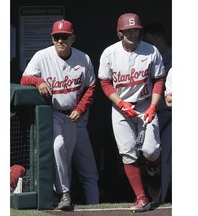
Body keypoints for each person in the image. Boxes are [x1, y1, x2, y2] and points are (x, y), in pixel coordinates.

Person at [20, 19, 96, 211]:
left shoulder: (83, 58)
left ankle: (78, 199)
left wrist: (80, 108)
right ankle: (64, 193)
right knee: (58, 145)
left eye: (64, 37)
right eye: (56, 37)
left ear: (73, 38)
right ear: (52, 39)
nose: (60, 41)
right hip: (52, 113)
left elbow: (91, 86)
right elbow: (24, 78)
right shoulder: (42, 56)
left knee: (67, 157)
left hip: (73, 115)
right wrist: (38, 81)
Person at [98, 13, 166, 212]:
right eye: (128, 30)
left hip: (145, 104)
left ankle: (153, 172)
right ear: (120, 32)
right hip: (121, 108)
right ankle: (141, 198)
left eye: (135, 29)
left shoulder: (151, 51)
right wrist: (120, 103)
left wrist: (153, 106)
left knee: (151, 150)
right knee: (128, 153)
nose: (132, 33)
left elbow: (159, 79)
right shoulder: (110, 53)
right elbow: (104, 82)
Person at [143, 22, 172, 203]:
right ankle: (159, 197)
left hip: (170, 114)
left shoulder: (174, 58)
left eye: (150, 41)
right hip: (158, 113)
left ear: (159, 38)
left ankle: (162, 198)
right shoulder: (154, 59)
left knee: (168, 157)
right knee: (155, 155)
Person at [72, 110, 100, 204]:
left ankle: (94, 207)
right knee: (59, 171)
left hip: (79, 127)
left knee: (89, 174)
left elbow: (88, 96)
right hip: (58, 124)